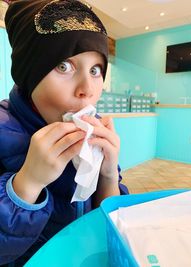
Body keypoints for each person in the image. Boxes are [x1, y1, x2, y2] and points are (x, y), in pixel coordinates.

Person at [0, 0, 128, 266]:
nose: (87, 89)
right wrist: (28, 182)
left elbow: (113, 229)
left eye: (95, 70)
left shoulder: (94, 133)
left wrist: (107, 175)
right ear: (29, 74)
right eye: (64, 66)